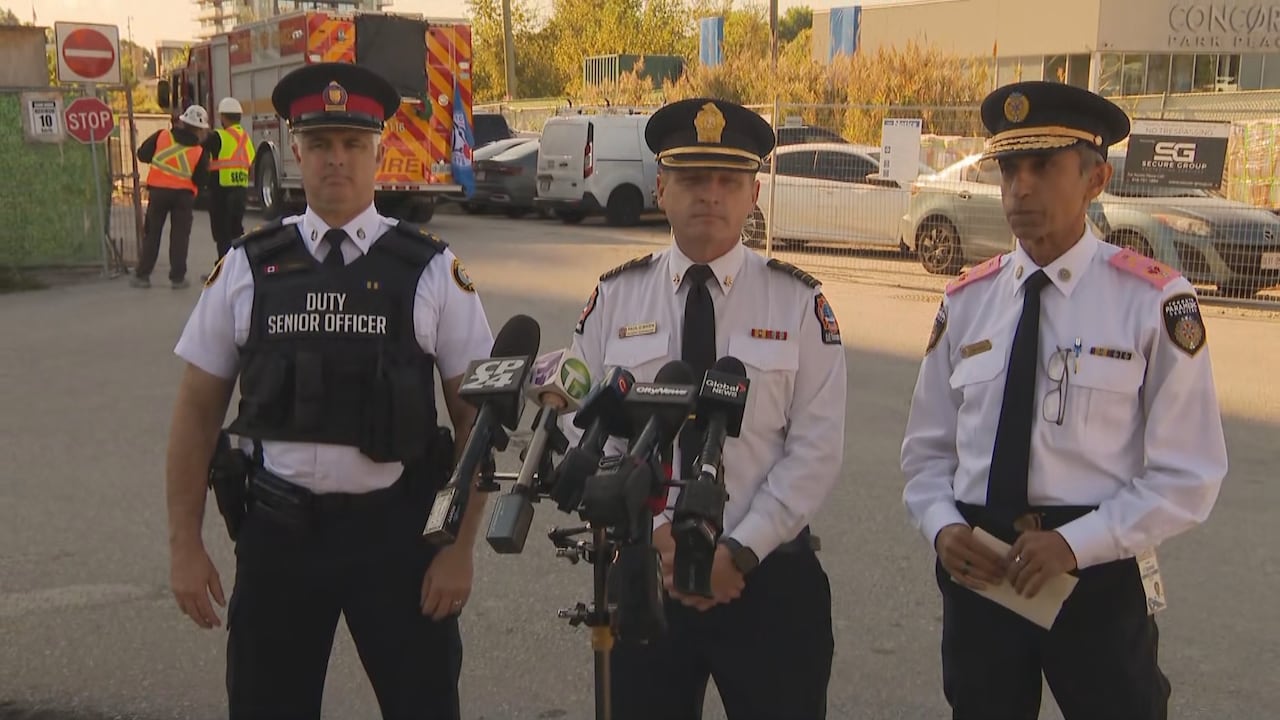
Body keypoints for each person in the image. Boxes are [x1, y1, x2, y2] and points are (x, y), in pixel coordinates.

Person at [163, 62, 494, 720]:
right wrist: (184, 543)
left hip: (398, 540)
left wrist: (459, 550)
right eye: (319, 144)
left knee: (423, 705)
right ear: (295, 152)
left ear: (378, 152)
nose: (335, 161)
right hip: (279, 538)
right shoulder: (246, 268)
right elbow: (197, 416)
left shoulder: (430, 270)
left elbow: (477, 422)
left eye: (351, 144)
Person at [900, 80, 1229, 720]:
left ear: (1095, 178)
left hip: (1095, 575)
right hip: (981, 569)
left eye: (1044, 167)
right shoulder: (967, 301)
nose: (1021, 187)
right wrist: (942, 526)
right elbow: (926, 453)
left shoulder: (1152, 300)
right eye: (1010, 168)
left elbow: (1188, 473)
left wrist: (1077, 544)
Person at [561, 97, 847, 719]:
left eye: (728, 180)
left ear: (754, 193)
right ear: (661, 188)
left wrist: (736, 552)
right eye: (691, 179)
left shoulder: (798, 304)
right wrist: (661, 538)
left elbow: (816, 450)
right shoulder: (615, 297)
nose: (709, 196)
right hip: (645, 572)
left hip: (766, 576)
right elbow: (582, 422)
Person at [132, 104, 210, 289]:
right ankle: (177, 278)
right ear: (200, 129)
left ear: (183, 122)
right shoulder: (200, 152)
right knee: (180, 237)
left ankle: (142, 275)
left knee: (152, 234)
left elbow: (142, 154)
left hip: (158, 193)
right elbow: (201, 180)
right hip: (183, 197)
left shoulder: (162, 136)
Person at [203, 96, 257, 264]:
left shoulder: (218, 137)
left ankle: (222, 271)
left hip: (221, 191)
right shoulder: (246, 139)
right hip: (240, 190)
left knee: (222, 234)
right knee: (236, 232)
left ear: (223, 118)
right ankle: (237, 267)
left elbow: (199, 148)